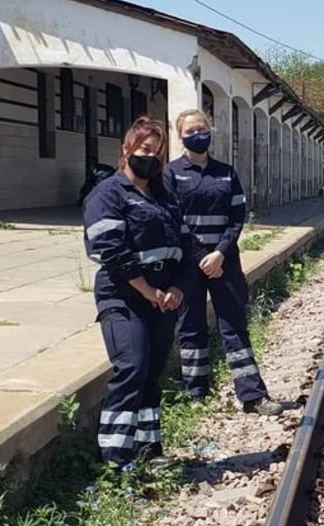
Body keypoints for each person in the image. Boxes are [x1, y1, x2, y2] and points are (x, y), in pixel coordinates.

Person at [83, 116, 194, 467]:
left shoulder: (163, 195)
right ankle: (115, 459)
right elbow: (109, 249)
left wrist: (176, 287)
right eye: (146, 150)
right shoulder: (108, 194)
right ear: (127, 148)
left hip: (162, 296)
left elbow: (185, 245)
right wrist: (147, 290)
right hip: (124, 295)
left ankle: (149, 451)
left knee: (151, 373)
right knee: (131, 366)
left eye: (158, 153)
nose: (152, 158)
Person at [166, 109, 285, 416]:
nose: (197, 134)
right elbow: (171, 219)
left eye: (202, 128)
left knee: (234, 325)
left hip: (224, 261)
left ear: (211, 130)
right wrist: (198, 256)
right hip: (188, 265)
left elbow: (236, 218)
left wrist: (219, 252)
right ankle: (196, 393)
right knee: (191, 327)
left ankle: (252, 395)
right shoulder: (170, 174)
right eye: (190, 130)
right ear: (180, 135)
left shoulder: (226, 172)